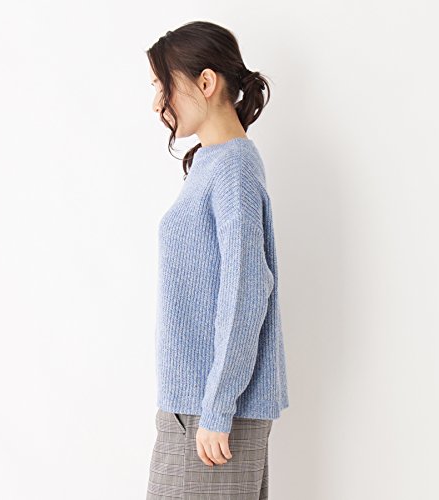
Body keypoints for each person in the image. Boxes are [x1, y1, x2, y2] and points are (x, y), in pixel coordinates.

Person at [145, 20, 289, 499]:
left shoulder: (234, 168)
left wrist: (218, 407)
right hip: (196, 409)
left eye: (163, 86)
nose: (157, 103)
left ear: (206, 82)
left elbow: (246, 290)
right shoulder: (214, 162)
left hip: (208, 415)